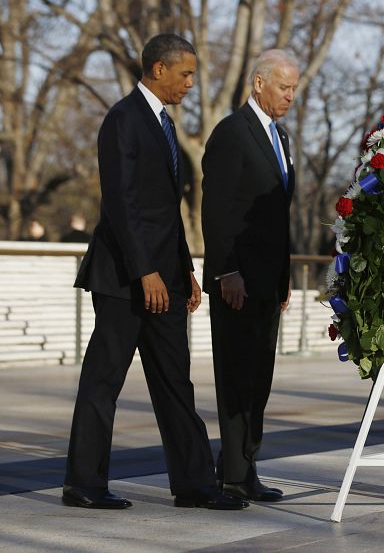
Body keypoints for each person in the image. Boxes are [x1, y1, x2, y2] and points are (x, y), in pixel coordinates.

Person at [63, 34, 247, 511]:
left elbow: (166, 210)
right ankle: (83, 484)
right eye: (185, 74)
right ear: (158, 70)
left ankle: (194, 484)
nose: (190, 83)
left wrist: (184, 267)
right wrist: (145, 271)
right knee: (103, 381)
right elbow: (121, 204)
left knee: (175, 382)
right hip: (125, 279)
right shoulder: (122, 120)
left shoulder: (164, 125)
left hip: (165, 276)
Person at [201, 49, 298, 502]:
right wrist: (227, 271)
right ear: (259, 84)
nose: (290, 96)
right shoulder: (231, 133)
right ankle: (235, 474)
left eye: (295, 89)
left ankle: (241, 466)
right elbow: (217, 209)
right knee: (237, 376)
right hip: (237, 280)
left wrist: (284, 277)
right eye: (284, 87)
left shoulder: (280, 138)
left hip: (267, 282)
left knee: (259, 378)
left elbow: (279, 216)